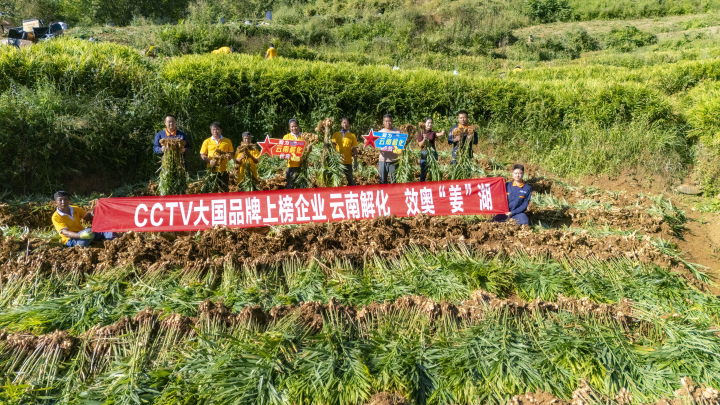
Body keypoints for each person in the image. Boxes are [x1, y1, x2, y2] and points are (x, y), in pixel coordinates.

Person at [200, 122, 234, 192]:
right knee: (213, 189)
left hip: (224, 169)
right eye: (213, 129)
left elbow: (231, 154)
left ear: (221, 130)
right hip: (212, 170)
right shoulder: (207, 141)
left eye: (217, 129)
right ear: (211, 131)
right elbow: (202, 155)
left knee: (224, 188)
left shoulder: (227, 141)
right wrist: (210, 161)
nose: (215, 131)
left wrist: (224, 156)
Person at [283, 119, 313, 189]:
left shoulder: (304, 136)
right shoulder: (286, 137)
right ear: (289, 127)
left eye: (295, 126)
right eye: (292, 126)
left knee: (302, 187)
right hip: (291, 166)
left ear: (298, 126)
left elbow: (309, 151)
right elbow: (283, 150)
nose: (294, 128)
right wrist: (283, 155)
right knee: (290, 186)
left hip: (303, 166)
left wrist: (309, 148)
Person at [331, 117, 358, 186]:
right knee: (337, 181)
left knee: (350, 180)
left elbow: (354, 150)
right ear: (341, 124)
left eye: (347, 123)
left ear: (349, 125)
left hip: (348, 162)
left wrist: (355, 162)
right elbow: (332, 147)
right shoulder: (336, 134)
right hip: (337, 162)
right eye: (344, 122)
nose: (345, 124)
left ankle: (352, 191)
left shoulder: (352, 136)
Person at [418, 117, 444, 182]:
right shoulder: (421, 133)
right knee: (423, 172)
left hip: (433, 153)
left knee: (434, 171)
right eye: (428, 123)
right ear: (424, 123)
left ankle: (434, 185)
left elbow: (437, 134)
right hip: (424, 153)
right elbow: (420, 145)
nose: (430, 124)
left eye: (431, 123)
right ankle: (422, 185)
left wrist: (442, 133)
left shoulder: (432, 133)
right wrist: (424, 139)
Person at [378, 114, 401, 184]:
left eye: (390, 121)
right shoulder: (379, 133)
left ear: (392, 122)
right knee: (382, 181)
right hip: (383, 160)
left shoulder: (397, 132)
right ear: (383, 122)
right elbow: (375, 144)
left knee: (394, 181)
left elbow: (400, 145)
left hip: (394, 160)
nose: (388, 123)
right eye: (386, 121)